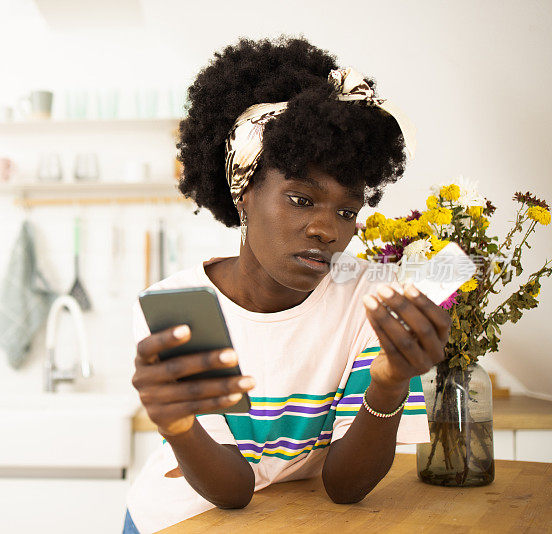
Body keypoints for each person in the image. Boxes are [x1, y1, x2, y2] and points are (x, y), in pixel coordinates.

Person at [123, 35, 451, 534]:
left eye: (347, 211)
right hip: (179, 520)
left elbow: (346, 486)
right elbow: (231, 490)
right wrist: (178, 425)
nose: (328, 229)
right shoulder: (181, 308)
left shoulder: (369, 298)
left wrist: (388, 383)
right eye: (301, 199)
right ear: (243, 194)